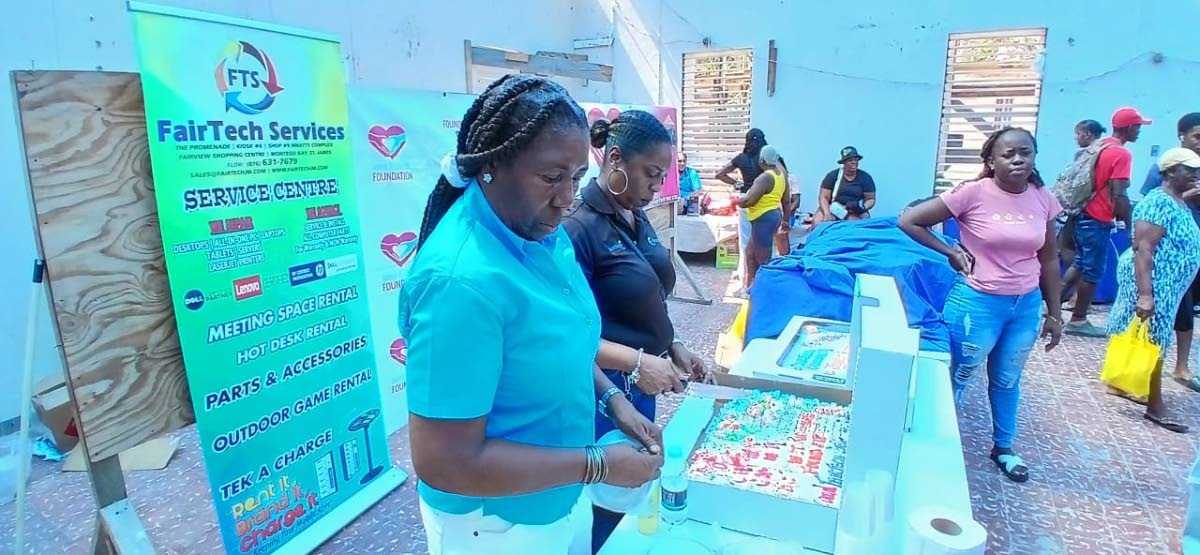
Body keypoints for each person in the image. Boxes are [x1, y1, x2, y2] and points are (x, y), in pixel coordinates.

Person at [398, 75, 663, 554]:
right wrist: (598, 464)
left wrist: (611, 402)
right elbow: (445, 462)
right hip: (496, 525)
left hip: (557, 497)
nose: (567, 197)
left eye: (577, 177)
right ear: (493, 165)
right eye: (551, 176)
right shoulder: (461, 284)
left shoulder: (539, 229)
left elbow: (556, 344)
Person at [564, 110, 709, 551]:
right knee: (602, 501)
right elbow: (569, 336)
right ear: (614, 160)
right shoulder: (577, 229)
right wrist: (630, 371)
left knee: (631, 492)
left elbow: (648, 296)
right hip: (599, 389)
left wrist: (675, 345)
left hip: (643, 382)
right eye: (650, 173)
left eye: (662, 175)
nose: (655, 186)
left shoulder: (635, 215)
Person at [898, 127, 1063, 483]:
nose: (1018, 159)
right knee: (956, 377)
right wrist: (950, 250)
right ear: (991, 160)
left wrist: (1055, 313)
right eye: (1008, 154)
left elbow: (1049, 258)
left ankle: (1003, 447)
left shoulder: (1043, 198)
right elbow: (909, 219)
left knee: (1006, 380)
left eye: (1025, 152)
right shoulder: (973, 193)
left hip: (1024, 306)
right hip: (977, 303)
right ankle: (931, 446)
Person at [1104, 147, 1200, 433]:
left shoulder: (1179, 201)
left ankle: (1123, 383)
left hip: (1168, 284)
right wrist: (1146, 294)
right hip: (1153, 282)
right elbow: (1143, 249)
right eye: (1190, 170)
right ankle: (1155, 407)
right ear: (1170, 172)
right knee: (1154, 341)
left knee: (1144, 336)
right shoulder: (1157, 202)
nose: (1196, 174)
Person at [1061, 107, 1150, 337]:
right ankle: (1078, 320)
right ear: (1129, 127)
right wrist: (1128, 226)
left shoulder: (1098, 146)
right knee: (1092, 270)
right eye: (1138, 127)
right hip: (1098, 217)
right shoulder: (1121, 154)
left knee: (1080, 262)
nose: (1139, 131)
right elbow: (1119, 193)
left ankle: (1053, 308)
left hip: (1081, 213)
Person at [1138, 113, 1200, 391]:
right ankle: (1146, 379)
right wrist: (1189, 195)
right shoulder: (1164, 168)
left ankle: (1182, 366)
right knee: (1168, 312)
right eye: (1197, 137)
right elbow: (1153, 207)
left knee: (1188, 309)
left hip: (1192, 255)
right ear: (1182, 136)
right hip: (1165, 264)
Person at [1060, 119, 1108, 290]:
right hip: (1089, 213)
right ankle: (1069, 299)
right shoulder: (1101, 151)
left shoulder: (1089, 154)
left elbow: (1078, 185)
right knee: (1083, 261)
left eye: (1077, 135)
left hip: (1083, 211)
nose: (1076, 139)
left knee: (1078, 258)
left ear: (1087, 134)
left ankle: (1067, 299)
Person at [717, 129, 768, 289]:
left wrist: (736, 183)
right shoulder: (766, 159)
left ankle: (746, 280)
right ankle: (762, 279)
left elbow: (720, 174)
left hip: (745, 199)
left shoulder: (741, 158)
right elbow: (783, 175)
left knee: (745, 241)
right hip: (764, 201)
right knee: (764, 241)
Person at [736, 145, 787, 289]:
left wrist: (735, 201)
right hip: (773, 215)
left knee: (763, 262)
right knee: (750, 254)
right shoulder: (781, 174)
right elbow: (786, 199)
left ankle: (767, 292)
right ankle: (750, 288)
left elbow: (748, 201)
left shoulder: (764, 178)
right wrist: (786, 219)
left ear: (762, 160)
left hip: (763, 220)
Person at [816, 146, 876, 223]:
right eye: (850, 160)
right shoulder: (833, 176)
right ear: (844, 162)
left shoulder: (865, 177)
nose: (853, 162)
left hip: (855, 210)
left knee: (859, 222)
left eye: (855, 160)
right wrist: (826, 213)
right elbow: (823, 197)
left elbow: (871, 199)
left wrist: (862, 207)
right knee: (817, 222)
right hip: (833, 208)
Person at [774, 156, 801, 256]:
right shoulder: (766, 181)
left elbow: (797, 202)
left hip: (787, 214)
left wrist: (785, 213)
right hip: (771, 214)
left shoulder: (791, 178)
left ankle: (783, 259)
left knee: (781, 231)